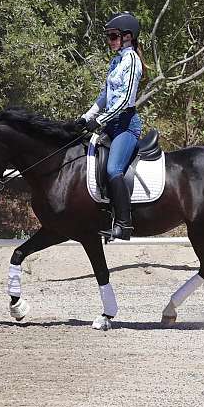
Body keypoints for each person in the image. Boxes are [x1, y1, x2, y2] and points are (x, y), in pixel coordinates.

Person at [76, 12, 144, 241]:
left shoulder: (132, 60)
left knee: (113, 169)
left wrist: (100, 120)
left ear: (128, 36)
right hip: (109, 124)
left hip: (125, 125)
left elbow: (125, 101)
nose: (110, 41)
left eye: (113, 36)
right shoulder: (116, 60)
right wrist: (86, 117)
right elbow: (105, 95)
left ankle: (124, 225)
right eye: (109, 37)